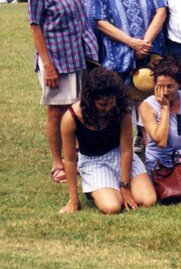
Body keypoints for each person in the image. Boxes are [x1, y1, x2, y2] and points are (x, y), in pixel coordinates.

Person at [28, 0, 99, 184]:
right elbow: (35, 25)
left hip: (77, 54)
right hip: (55, 57)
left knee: (77, 108)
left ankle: (77, 156)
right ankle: (57, 162)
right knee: (56, 111)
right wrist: (47, 65)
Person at [60, 68, 157, 214]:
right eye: (102, 104)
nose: (108, 108)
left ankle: (113, 186)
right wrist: (73, 200)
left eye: (111, 103)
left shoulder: (122, 109)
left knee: (148, 200)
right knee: (112, 207)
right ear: (89, 100)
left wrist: (125, 187)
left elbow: (126, 150)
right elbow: (69, 160)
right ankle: (99, 186)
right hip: (93, 161)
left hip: (119, 154)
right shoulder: (71, 117)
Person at [138, 57, 181, 191]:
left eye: (170, 86)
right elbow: (161, 142)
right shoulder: (147, 106)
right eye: (160, 86)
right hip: (159, 162)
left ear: (179, 84)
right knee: (170, 188)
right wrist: (165, 108)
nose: (165, 92)